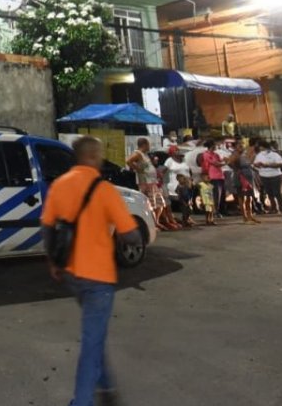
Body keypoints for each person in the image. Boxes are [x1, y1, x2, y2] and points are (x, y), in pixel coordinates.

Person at [41, 136, 142, 406]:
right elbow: (131, 235)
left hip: (70, 273)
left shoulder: (59, 185)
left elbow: (47, 228)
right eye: (99, 155)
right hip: (98, 277)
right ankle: (82, 401)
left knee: (95, 334)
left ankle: (107, 388)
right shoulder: (105, 190)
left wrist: (53, 262)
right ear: (93, 157)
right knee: (92, 342)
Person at [127, 138, 177, 231]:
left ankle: (156, 222)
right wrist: (138, 169)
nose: (149, 146)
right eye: (148, 144)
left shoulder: (145, 154)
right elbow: (129, 161)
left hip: (152, 182)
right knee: (151, 205)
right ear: (144, 144)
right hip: (146, 183)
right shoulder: (138, 153)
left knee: (159, 204)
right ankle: (152, 224)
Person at [253, 141, 282, 216]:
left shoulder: (274, 155)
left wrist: (268, 165)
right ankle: (274, 208)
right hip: (264, 176)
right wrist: (257, 165)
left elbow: (281, 164)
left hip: (275, 175)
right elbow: (255, 164)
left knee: (278, 193)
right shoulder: (259, 155)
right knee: (269, 193)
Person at [200, 140, 226, 216]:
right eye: (215, 145)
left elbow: (220, 161)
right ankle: (213, 212)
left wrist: (225, 160)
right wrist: (227, 162)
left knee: (219, 195)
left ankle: (216, 211)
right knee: (214, 195)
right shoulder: (206, 154)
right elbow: (216, 164)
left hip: (220, 176)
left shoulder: (216, 154)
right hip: (212, 176)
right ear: (212, 146)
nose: (216, 146)